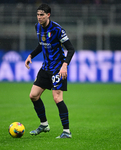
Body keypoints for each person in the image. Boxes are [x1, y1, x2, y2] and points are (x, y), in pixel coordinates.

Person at [25, 3, 75, 138]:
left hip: (58, 68)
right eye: (37, 14)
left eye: (42, 15)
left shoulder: (58, 29)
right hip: (45, 67)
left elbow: (71, 49)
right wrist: (31, 55)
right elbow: (41, 45)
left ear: (48, 15)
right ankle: (44, 124)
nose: (39, 17)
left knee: (57, 98)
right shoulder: (37, 27)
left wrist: (65, 65)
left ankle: (66, 132)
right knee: (33, 96)